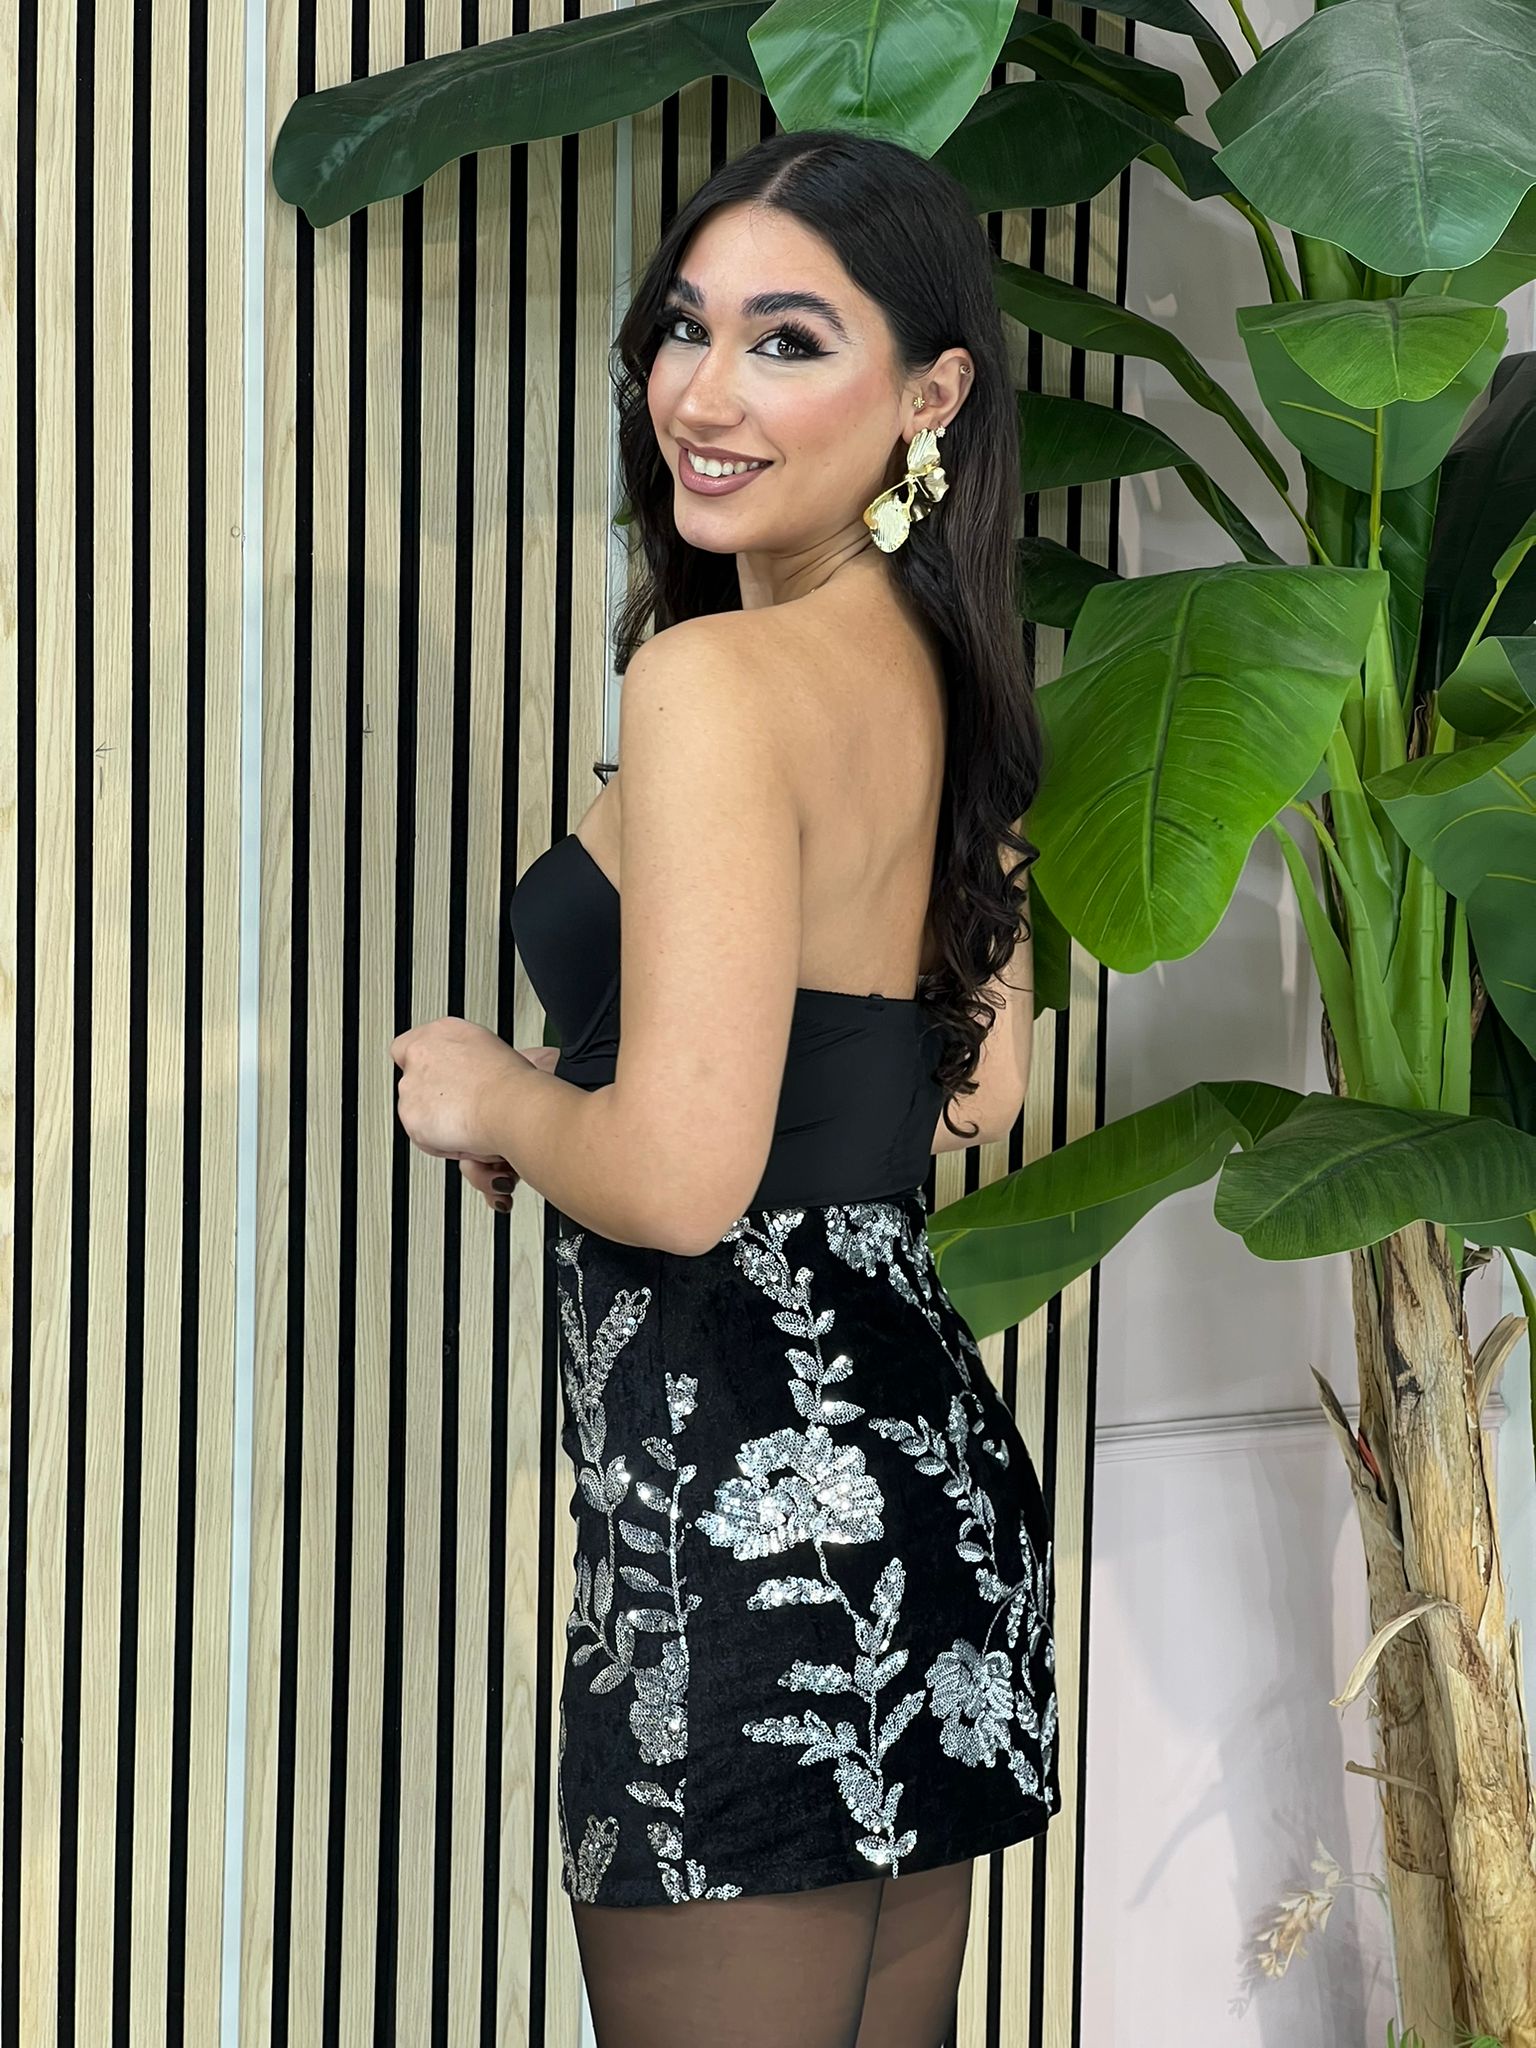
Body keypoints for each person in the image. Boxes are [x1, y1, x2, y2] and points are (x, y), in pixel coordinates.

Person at [498, 127, 1056, 2047]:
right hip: (921, 1493)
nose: (704, 393)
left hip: (739, 1519)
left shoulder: (712, 685)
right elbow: (969, 1089)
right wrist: (613, 1079)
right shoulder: (959, 674)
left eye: (788, 341)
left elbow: (676, 1180)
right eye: (686, 327)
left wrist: (492, 1098)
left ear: (931, 395)